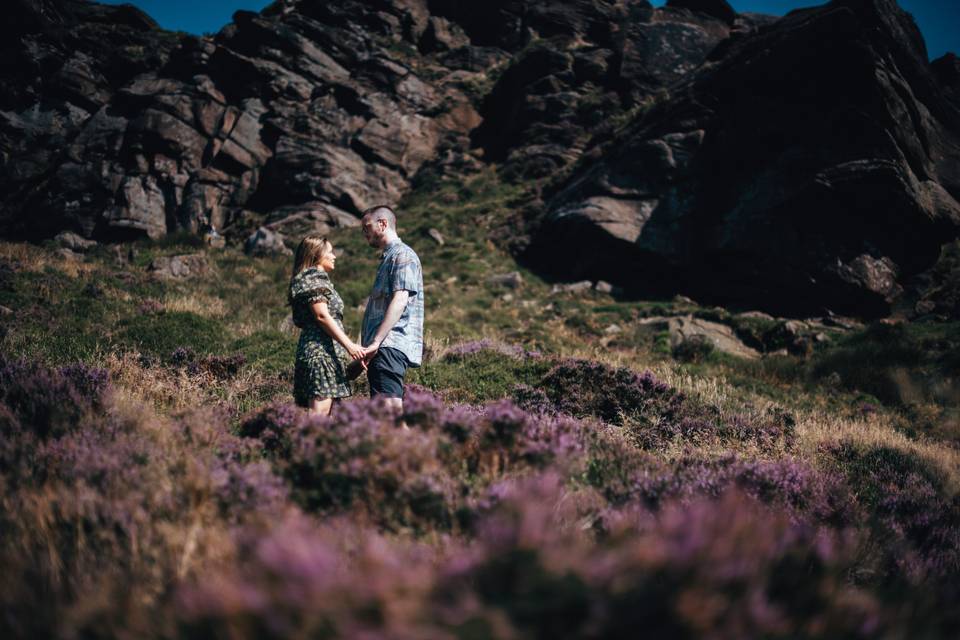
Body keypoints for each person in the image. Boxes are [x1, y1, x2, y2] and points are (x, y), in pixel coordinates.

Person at [358, 205, 424, 421]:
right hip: (382, 348)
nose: (364, 232)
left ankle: (413, 454)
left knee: (389, 418)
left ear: (383, 224)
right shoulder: (389, 258)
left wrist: (376, 342)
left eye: (367, 226)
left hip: (387, 346)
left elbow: (400, 299)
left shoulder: (402, 255)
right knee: (385, 418)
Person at [288, 235, 365, 415]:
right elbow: (321, 315)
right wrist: (350, 346)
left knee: (326, 417)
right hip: (321, 353)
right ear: (316, 255)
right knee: (319, 417)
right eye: (330, 252)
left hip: (325, 352)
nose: (334, 256)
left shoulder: (316, 279)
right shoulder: (313, 277)